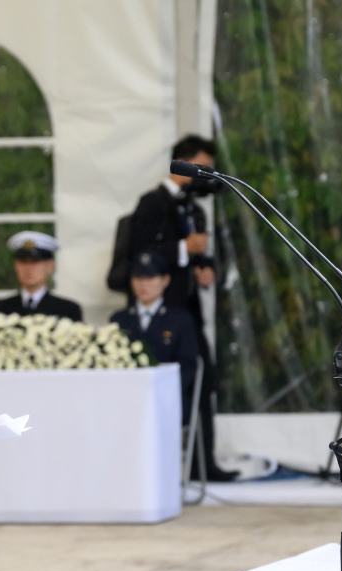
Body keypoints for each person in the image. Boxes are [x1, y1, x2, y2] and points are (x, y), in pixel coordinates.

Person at [128, 135, 235, 481]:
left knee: (202, 379)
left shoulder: (195, 209)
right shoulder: (152, 203)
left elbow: (200, 256)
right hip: (161, 311)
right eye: (203, 168)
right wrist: (182, 248)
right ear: (184, 165)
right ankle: (152, 463)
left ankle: (204, 462)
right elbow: (139, 253)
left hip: (189, 313)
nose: (207, 177)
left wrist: (206, 267)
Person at [110, 252, 198, 425]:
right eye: (138, 278)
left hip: (167, 401)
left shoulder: (180, 320)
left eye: (150, 277)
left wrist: (159, 391)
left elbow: (187, 366)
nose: (143, 284)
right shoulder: (119, 320)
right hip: (127, 401)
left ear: (165, 280)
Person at [0, 230, 83, 321]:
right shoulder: (1, 309)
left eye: (35, 262)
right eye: (23, 262)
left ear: (50, 266)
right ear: (16, 266)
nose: (28, 268)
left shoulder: (67, 310)